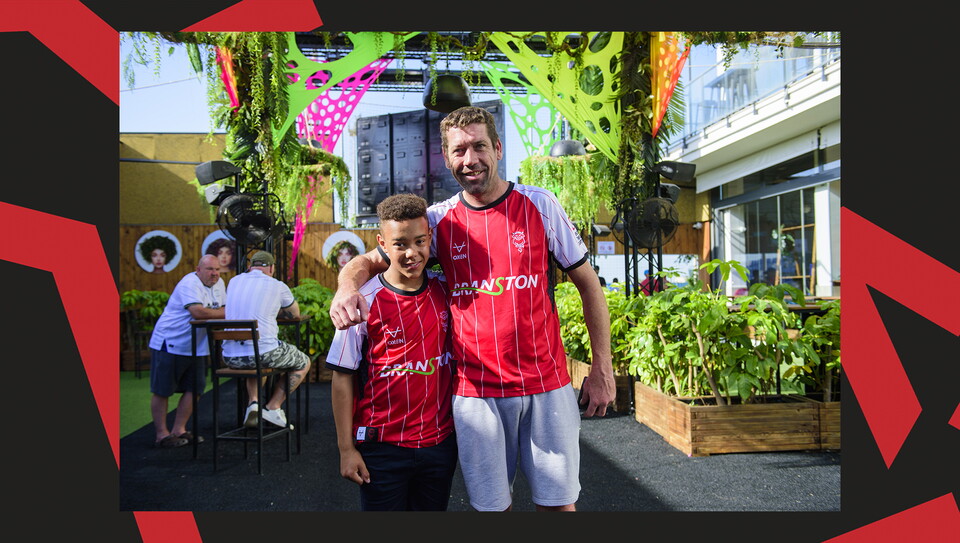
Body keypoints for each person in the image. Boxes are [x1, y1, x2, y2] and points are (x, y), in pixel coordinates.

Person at [329, 106, 616, 512]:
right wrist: (345, 287)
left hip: (546, 385)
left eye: (479, 146)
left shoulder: (540, 204)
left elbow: (589, 285)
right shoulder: (437, 221)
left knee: (558, 506)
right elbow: (369, 262)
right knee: (492, 511)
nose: (470, 159)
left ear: (497, 148)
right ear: (447, 159)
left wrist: (602, 367)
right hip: (476, 395)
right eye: (459, 151)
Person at [326, 193, 457, 511]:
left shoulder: (446, 290)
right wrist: (346, 449)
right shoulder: (361, 301)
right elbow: (342, 378)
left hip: (439, 445)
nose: (412, 253)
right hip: (382, 448)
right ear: (382, 244)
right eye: (400, 244)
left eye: (420, 241)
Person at [222, 250, 311, 429]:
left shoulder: (233, 281)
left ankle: (253, 403)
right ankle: (273, 407)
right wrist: (272, 309)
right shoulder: (277, 285)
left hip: (230, 356)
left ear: (250, 267)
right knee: (304, 362)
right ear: (271, 268)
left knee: (256, 357)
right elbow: (294, 314)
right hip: (263, 353)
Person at [147, 255, 225, 448]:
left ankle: (179, 430)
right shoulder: (189, 283)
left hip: (197, 346)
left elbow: (219, 309)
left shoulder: (220, 283)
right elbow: (198, 313)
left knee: (195, 389)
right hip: (170, 342)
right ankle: (161, 434)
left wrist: (222, 312)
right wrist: (228, 312)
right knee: (162, 390)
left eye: (217, 269)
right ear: (198, 269)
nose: (214, 273)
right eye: (209, 269)